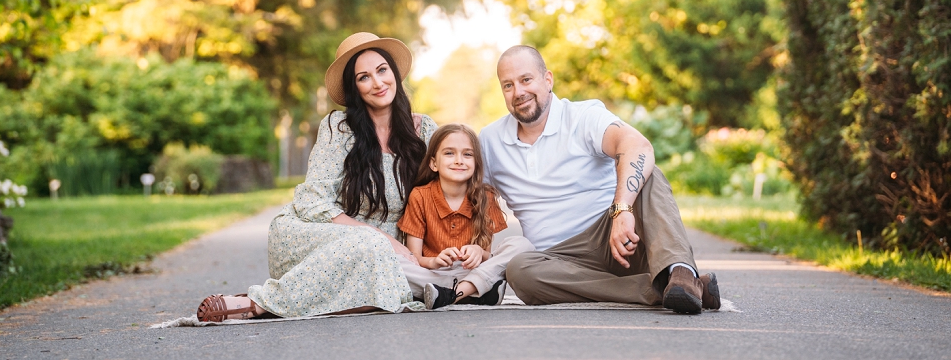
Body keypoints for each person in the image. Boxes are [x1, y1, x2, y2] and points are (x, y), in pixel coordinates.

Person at [196, 32, 438, 322]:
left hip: (395, 250)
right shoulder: (339, 127)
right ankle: (254, 304)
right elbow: (313, 200)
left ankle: (268, 304)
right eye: (364, 77)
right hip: (324, 236)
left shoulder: (423, 131)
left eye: (382, 70)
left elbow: (445, 191)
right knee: (374, 251)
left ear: (394, 73)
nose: (377, 83)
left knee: (389, 276)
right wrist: (381, 239)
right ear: (354, 88)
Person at [481, 45, 720, 315]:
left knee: (647, 174)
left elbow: (637, 146)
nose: (519, 92)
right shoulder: (490, 141)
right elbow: (466, 196)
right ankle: (667, 289)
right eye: (508, 85)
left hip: (618, 238)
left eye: (526, 80)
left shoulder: (583, 116)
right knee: (519, 270)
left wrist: (622, 210)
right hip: (558, 262)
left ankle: (682, 273)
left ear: (547, 80)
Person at [396, 123, 536, 310]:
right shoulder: (420, 196)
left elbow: (487, 259)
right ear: (433, 163)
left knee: (522, 245)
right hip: (433, 274)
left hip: (471, 272)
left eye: (467, 154)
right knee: (395, 261)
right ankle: (476, 292)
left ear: (476, 163)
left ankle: (450, 295)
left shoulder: (485, 197)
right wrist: (435, 261)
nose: (459, 160)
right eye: (449, 153)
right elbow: (414, 257)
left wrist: (479, 252)